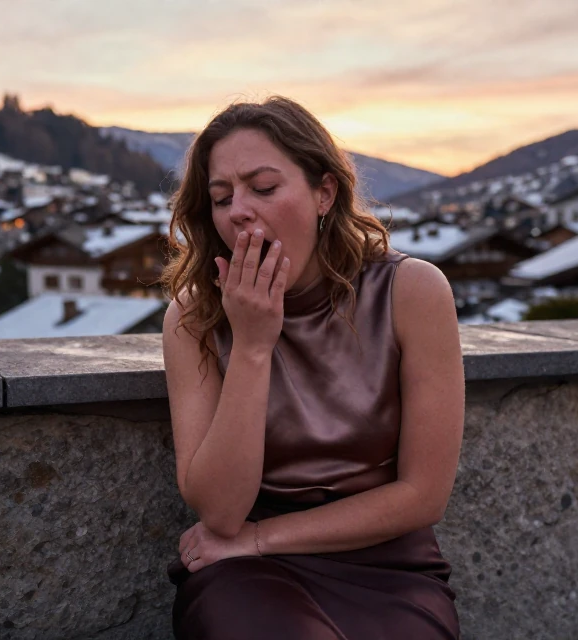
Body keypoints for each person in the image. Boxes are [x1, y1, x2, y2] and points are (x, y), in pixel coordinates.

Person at [160, 95, 465, 639]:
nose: (240, 211)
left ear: (324, 192)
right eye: (222, 197)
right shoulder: (194, 316)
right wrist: (253, 346)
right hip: (247, 575)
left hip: (386, 562)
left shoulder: (412, 291)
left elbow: (424, 494)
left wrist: (263, 537)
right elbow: (221, 513)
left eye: (264, 188)